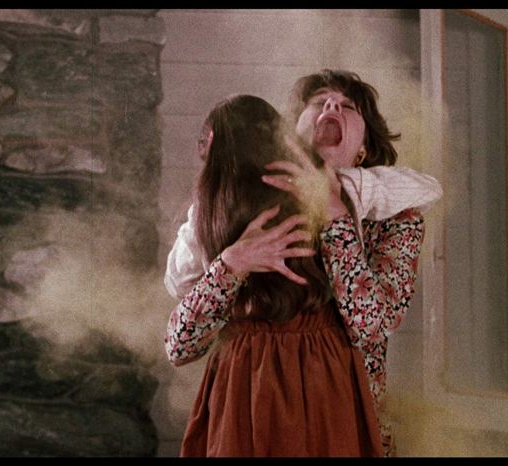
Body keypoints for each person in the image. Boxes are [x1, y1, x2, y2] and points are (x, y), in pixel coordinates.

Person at [165, 70, 438, 456]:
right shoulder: (238, 207)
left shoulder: (397, 217)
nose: (332, 105)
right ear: (287, 135)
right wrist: (231, 263)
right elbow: (179, 342)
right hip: (245, 407)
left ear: (363, 149)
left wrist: (334, 212)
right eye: (319, 102)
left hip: (340, 408)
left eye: (348, 106)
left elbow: (371, 326)